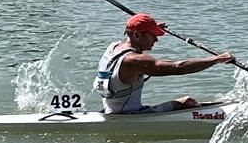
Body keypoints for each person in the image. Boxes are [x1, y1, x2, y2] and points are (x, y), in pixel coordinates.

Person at [93, 13, 234, 114]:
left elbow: (133, 42)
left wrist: (151, 28)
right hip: (129, 115)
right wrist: (217, 59)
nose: (156, 40)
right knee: (187, 102)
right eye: (152, 35)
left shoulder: (113, 47)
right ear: (136, 35)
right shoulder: (134, 61)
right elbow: (179, 68)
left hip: (111, 109)